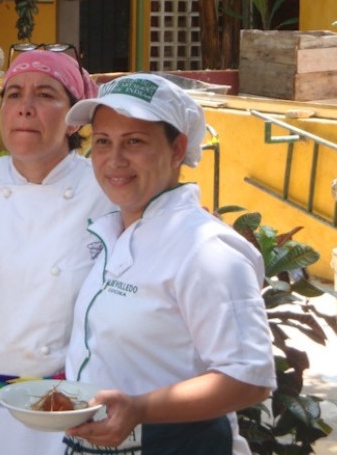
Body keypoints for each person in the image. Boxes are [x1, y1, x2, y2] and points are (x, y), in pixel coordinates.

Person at [62, 74, 276, 455]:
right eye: (103, 141)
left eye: (134, 142)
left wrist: (141, 409)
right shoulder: (114, 232)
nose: (115, 159)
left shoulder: (206, 250)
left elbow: (250, 377)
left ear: (177, 149)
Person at [0, 48, 115, 455]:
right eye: (13, 95)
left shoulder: (105, 193)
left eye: (45, 94)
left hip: (69, 413)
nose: (25, 108)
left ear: (74, 120)